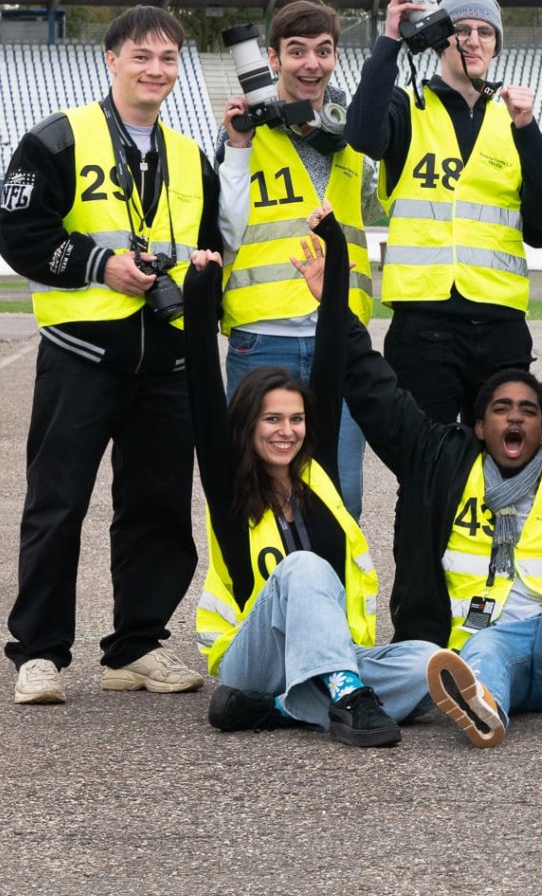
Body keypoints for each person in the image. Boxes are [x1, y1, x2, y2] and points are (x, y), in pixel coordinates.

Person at [332, 247, 542, 746]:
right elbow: (375, 389)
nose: (514, 418)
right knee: (352, 661)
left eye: (528, 411)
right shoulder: (440, 459)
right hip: (455, 654)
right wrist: (335, 307)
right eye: (500, 409)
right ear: (478, 426)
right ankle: (483, 706)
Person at [0, 5, 221, 706]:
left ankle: (135, 646)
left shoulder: (190, 157)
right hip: (82, 352)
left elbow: (209, 247)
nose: (156, 70)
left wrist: (208, 273)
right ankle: (38, 654)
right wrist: (99, 265)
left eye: (168, 59)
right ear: (111, 59)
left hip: (168, 362)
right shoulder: (56, 139)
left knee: (156, 507)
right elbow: (18, 233)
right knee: (57, 504)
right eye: (142, 56)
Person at [183, 221, 434, 746]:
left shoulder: (318, 477)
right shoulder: (228, 483)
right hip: (253, 659)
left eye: (295, 420)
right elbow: (204, 384)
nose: (287, 431)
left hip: (329, 652)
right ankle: (344, 699)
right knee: (302, 567)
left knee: (428, 661)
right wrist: (200, 291)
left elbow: (330, 362)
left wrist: (336, 255)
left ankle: (279, 709)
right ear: (248, 425)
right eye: (272, 420)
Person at [347, 0, 542, 426]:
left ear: (497, 45)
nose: (473, 40)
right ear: (439, 36)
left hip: (501, 324)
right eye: (461, 29)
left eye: (485, 32)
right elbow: (363, 135)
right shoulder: (407, 106)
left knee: (503, 467)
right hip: (424, 323)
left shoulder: (515, 120)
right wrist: (390, 39)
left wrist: (528, 131)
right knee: (428, 468)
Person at [216, 0, 376, 512]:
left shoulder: (354, 136)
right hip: (263, 338)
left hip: (340, 335)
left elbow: (376, 205)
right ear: (273, 57)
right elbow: (227, 229)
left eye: (324, 51)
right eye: (298, 50)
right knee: (255, 491)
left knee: (341, 493)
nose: (312, 63)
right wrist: (237, 147)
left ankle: (337, 593)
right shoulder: (245, 133)